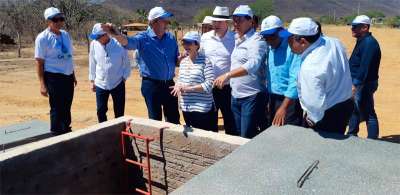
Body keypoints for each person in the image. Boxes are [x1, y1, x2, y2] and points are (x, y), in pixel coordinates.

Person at [101, 7, 180, 124]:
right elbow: (128, 43)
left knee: (174, 119)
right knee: (155, 121)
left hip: (170, 84)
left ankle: (172, 142)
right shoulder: (143, 38)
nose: (168, 23)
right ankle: (157, 142)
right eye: (165, 20)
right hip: (152, 85)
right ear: (154, 22)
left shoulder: (171, 38)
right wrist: (115, 34)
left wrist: (180, 59)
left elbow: (176, 61)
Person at [287, 17, 353, 135]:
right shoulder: (334, 42)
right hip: (345, 104)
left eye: (290, 40)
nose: (288, 44)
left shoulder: (311, 66)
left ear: (303, 41)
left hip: (326, 115)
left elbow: (314, 103)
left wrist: (312, 119)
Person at [214, 5, 267, 138]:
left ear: (250, 21)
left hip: (252, 96)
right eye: (234, 20)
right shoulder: (238, 39)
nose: (236, 23)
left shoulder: (256, 40)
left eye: (240, 20)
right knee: (238, 134)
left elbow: (253, 64)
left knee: (247, 136)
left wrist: (228, 75)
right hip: (236, 96)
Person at [35, 7, 77, 135]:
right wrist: (42, 84)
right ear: (48, 21)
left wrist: (73, 74)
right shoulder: (42, 38)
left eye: (61, 19)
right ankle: (56, 133)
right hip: (53, 77)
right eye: (55, 19)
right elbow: (39, 62)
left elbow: (69, 57)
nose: (59, 22)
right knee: (56, 107)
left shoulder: (65, 34)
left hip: (68, 76)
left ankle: (66, 129)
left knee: (67, 105)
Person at [260, 15, 303, 127]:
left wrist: (284, 107)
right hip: (273, 98)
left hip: (290, 101)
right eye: (265, 37)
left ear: (281, 32)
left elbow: (295, 80)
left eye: (272, 36)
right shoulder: (269, 48)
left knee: (289, 135)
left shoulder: (293, 48)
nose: (269, 40)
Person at [201, 6, 237, 135]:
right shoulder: (205, 38)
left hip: (228, 87)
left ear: (226, 22)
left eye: (219, 22)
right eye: (214, 21)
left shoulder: (235, 39)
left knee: (230, 120)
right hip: (209, 87)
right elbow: (201, 58)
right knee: (210, 121)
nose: (216, 24)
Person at [171, 32, 217, 131]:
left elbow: (209, 84)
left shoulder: (205, 61)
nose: (186, 46)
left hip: (201, 109)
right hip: (186, 107)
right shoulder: (183, 62)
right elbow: (180, 79)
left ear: (197, 45)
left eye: (189, 43)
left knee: (204, 138)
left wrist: (188, 89)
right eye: (184, 43)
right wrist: (177, 86)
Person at [88, 23, 131, 123]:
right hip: (100, 83)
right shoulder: (94, 44)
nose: (96, 39)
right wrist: (92, 80)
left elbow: (126, 62)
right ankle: (103, 132)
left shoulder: (118, 44)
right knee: (101, 111)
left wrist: (124, 77)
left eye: (98, 37)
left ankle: (119, 132)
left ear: (106, 34)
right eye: (95, 37)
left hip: (118, 83)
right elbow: (92, 62)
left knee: (119, 112)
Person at [347, 15, 381, 139]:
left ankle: (371, 140)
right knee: (355, 109)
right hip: (361, 82)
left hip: (364, 83)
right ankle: (352, 134)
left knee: (368, 112)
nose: (352, 29)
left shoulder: (369, 43)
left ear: (365, 27)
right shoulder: (363, 40)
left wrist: (355, 85)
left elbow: (364, 67)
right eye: (352, 26)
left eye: (355, 27)